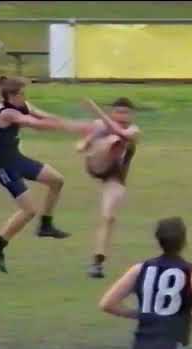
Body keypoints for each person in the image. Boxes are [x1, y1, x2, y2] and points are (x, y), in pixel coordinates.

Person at [0, 77, 85, 273]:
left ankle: (45, 226)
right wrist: (71, 127)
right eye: (22, 93)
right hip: (3, 166)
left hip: (16, 159)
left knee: (56, 180)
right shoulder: (7, 113)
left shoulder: (22, 105)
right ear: (11, 96)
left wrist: (66, 123)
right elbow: (33, 123)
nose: (25, 97)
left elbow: (43, 116)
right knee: (29, 210)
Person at [98, 217, 192, 349]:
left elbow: (107, 304)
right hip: (171, 348)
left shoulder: (140, 269)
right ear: (184, 241)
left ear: (158, 241)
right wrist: (190, 317)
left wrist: (140, 314)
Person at [77, 98, 140, 278]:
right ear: (113, 113)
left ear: (132, 115)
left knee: (108, 216)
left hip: (115, 177)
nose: (122, 116)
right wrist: (85, 144)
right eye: (118, 112)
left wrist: (96, 110)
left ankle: (97, 262)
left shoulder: (134, 130)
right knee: (105, 136)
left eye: (126, 113)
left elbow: (121, 134)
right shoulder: (100, 126)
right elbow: (81, 146)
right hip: (96, 166)